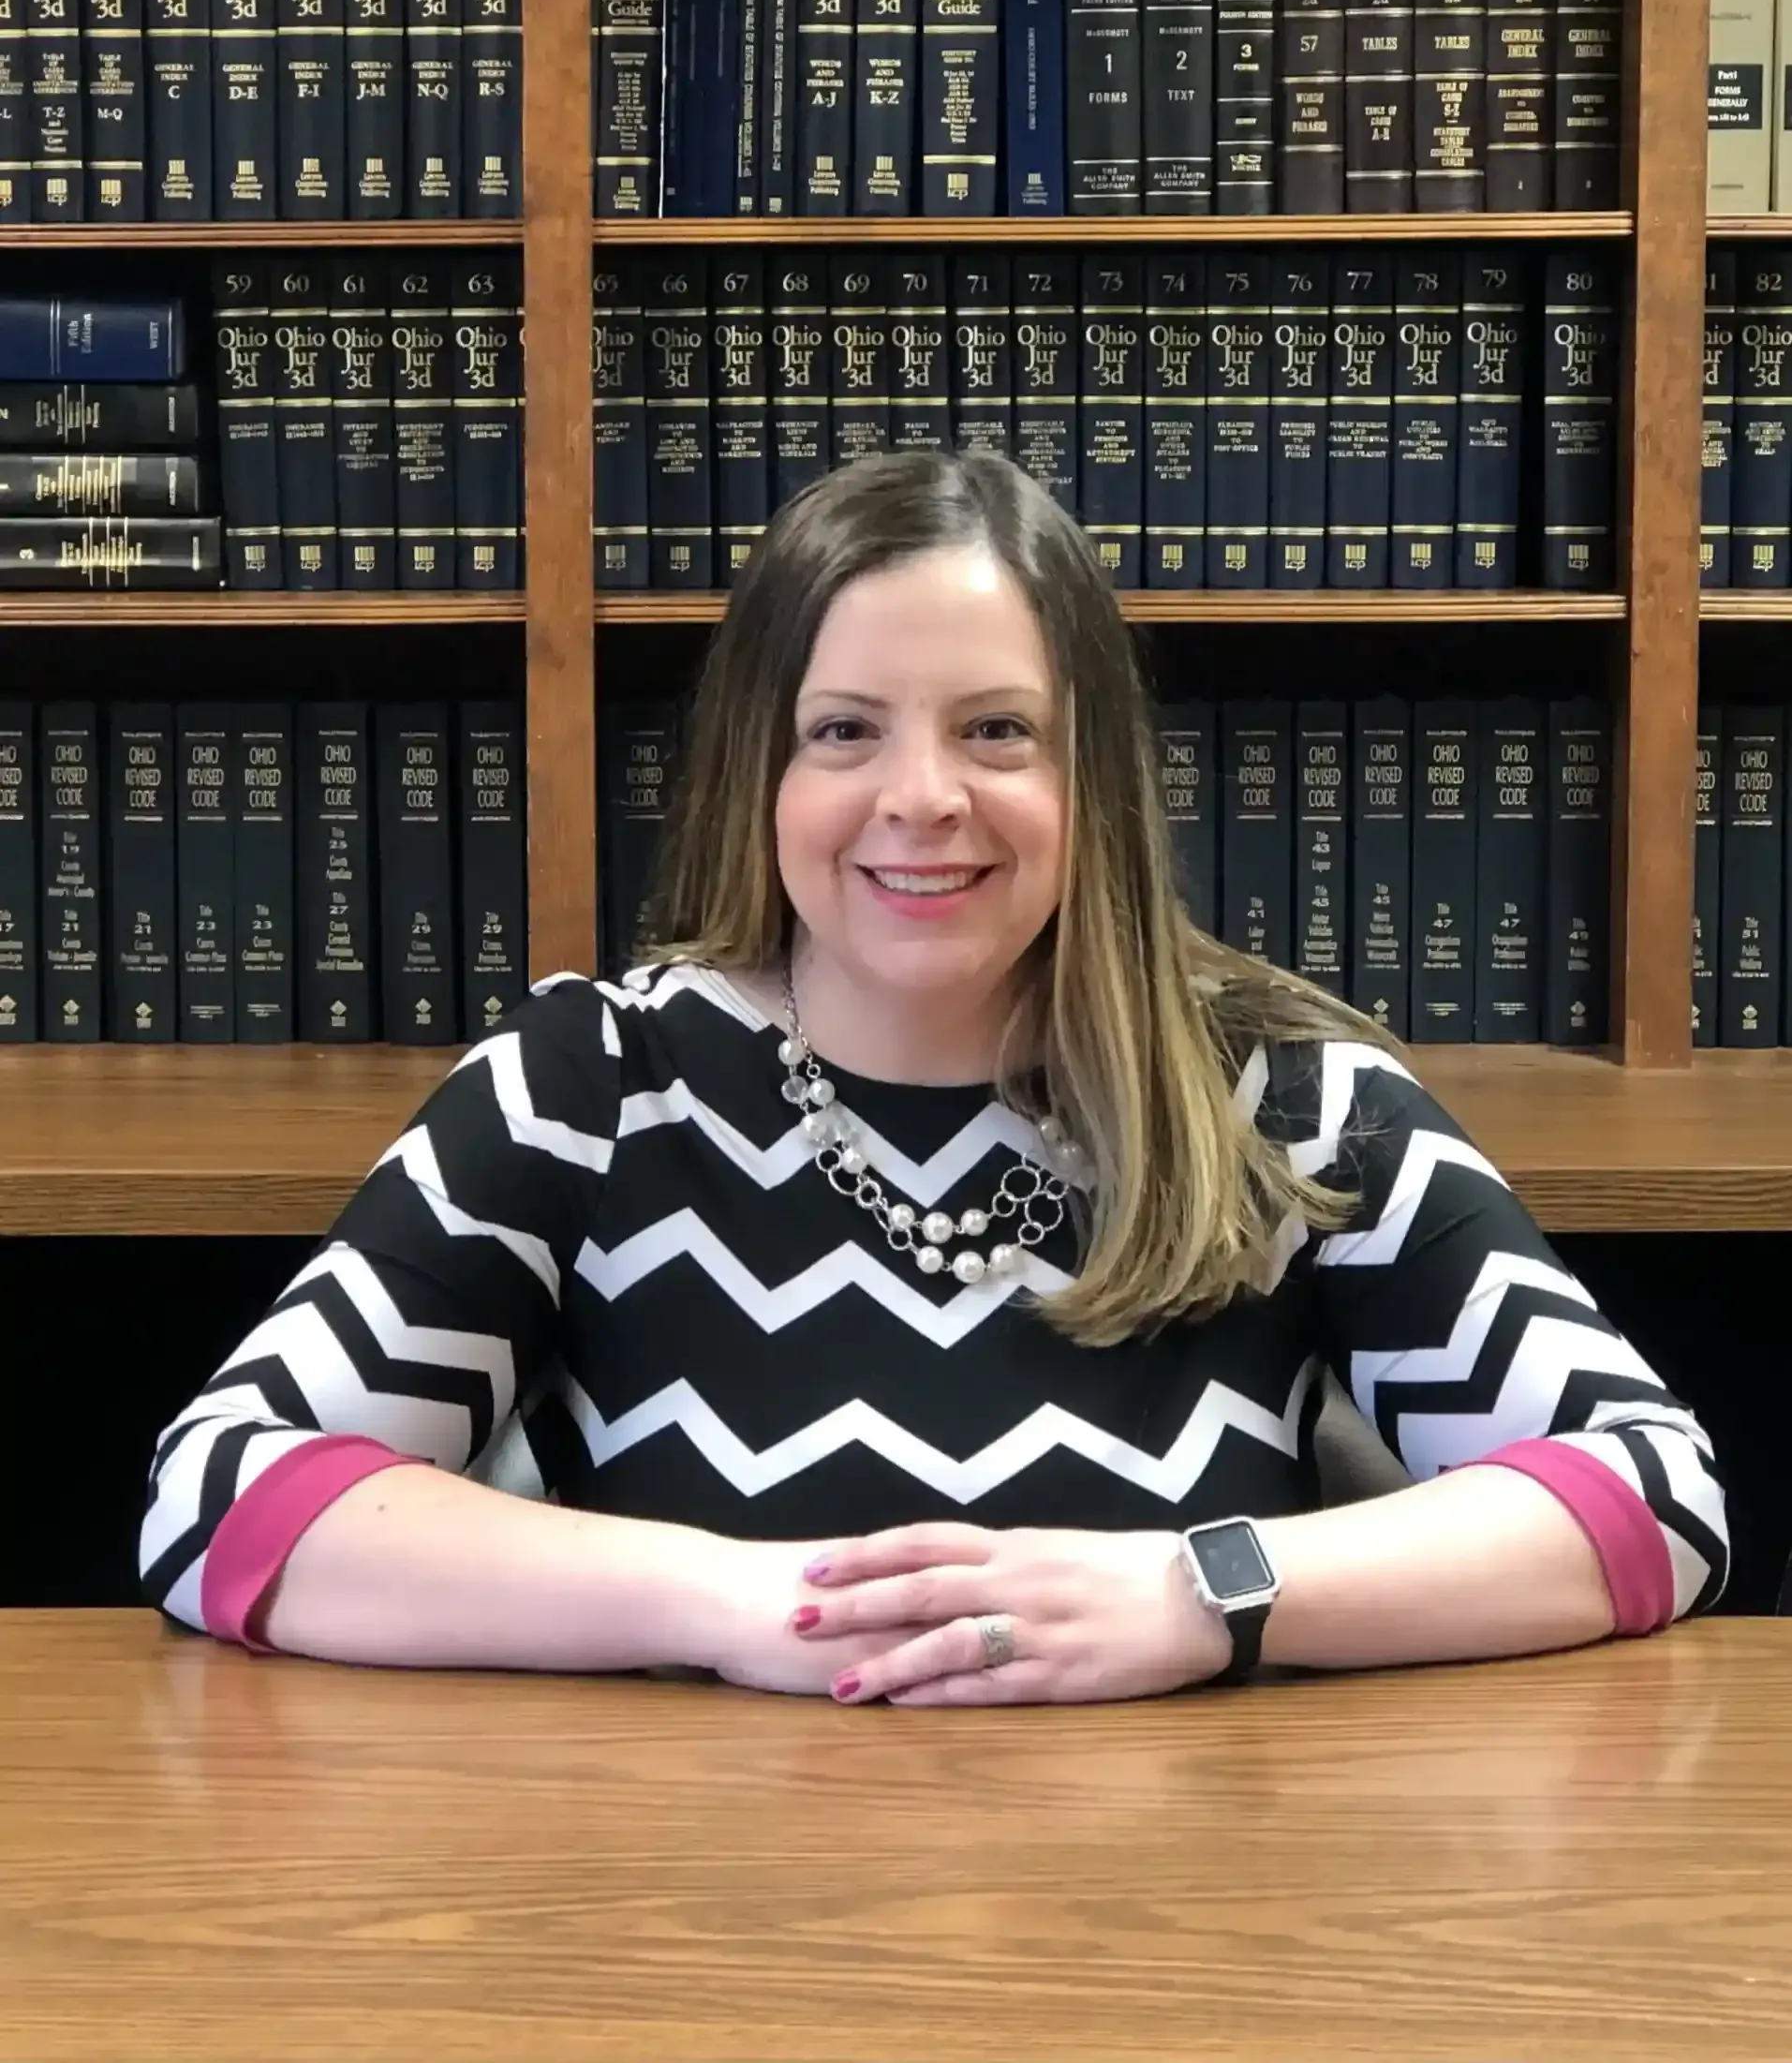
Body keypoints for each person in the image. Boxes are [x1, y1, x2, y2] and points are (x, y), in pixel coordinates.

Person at [139, 451, 1728, 1706]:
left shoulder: (1281, 1099)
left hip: (1194, 1923)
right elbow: (224, 1497)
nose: (921, 798)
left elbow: (1651, 1493)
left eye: (996, 730)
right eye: (843, 730)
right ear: (760, 767)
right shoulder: (591, 1085)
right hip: (666, 1916)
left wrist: (1205, 1592)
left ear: (1089, 774)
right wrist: (730, 1602)